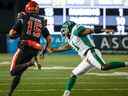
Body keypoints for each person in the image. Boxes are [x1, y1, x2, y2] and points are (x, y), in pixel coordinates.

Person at [52, 20, 128, 96]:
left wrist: (105, 30)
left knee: (103, 67)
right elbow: (67, 47)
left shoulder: (76, 30)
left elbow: (91, 30)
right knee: (73, 74)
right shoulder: (71, 38)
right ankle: (66, 94)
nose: (64, 31)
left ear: (69, 27)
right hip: (86, 58)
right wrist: (53, 50)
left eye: (65, 28)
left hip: (91, 52)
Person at [7, 1, 51, 96]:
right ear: (36, 9)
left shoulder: (23, 17)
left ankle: (30, 63)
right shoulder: (41, 20)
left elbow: (11, 34)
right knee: (19, 73)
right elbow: (49, 38)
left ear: (28, 8)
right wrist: (43, 52)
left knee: (13, 71)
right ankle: (9, 94)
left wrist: (20, 33)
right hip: (35, 49)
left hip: (24, 46)